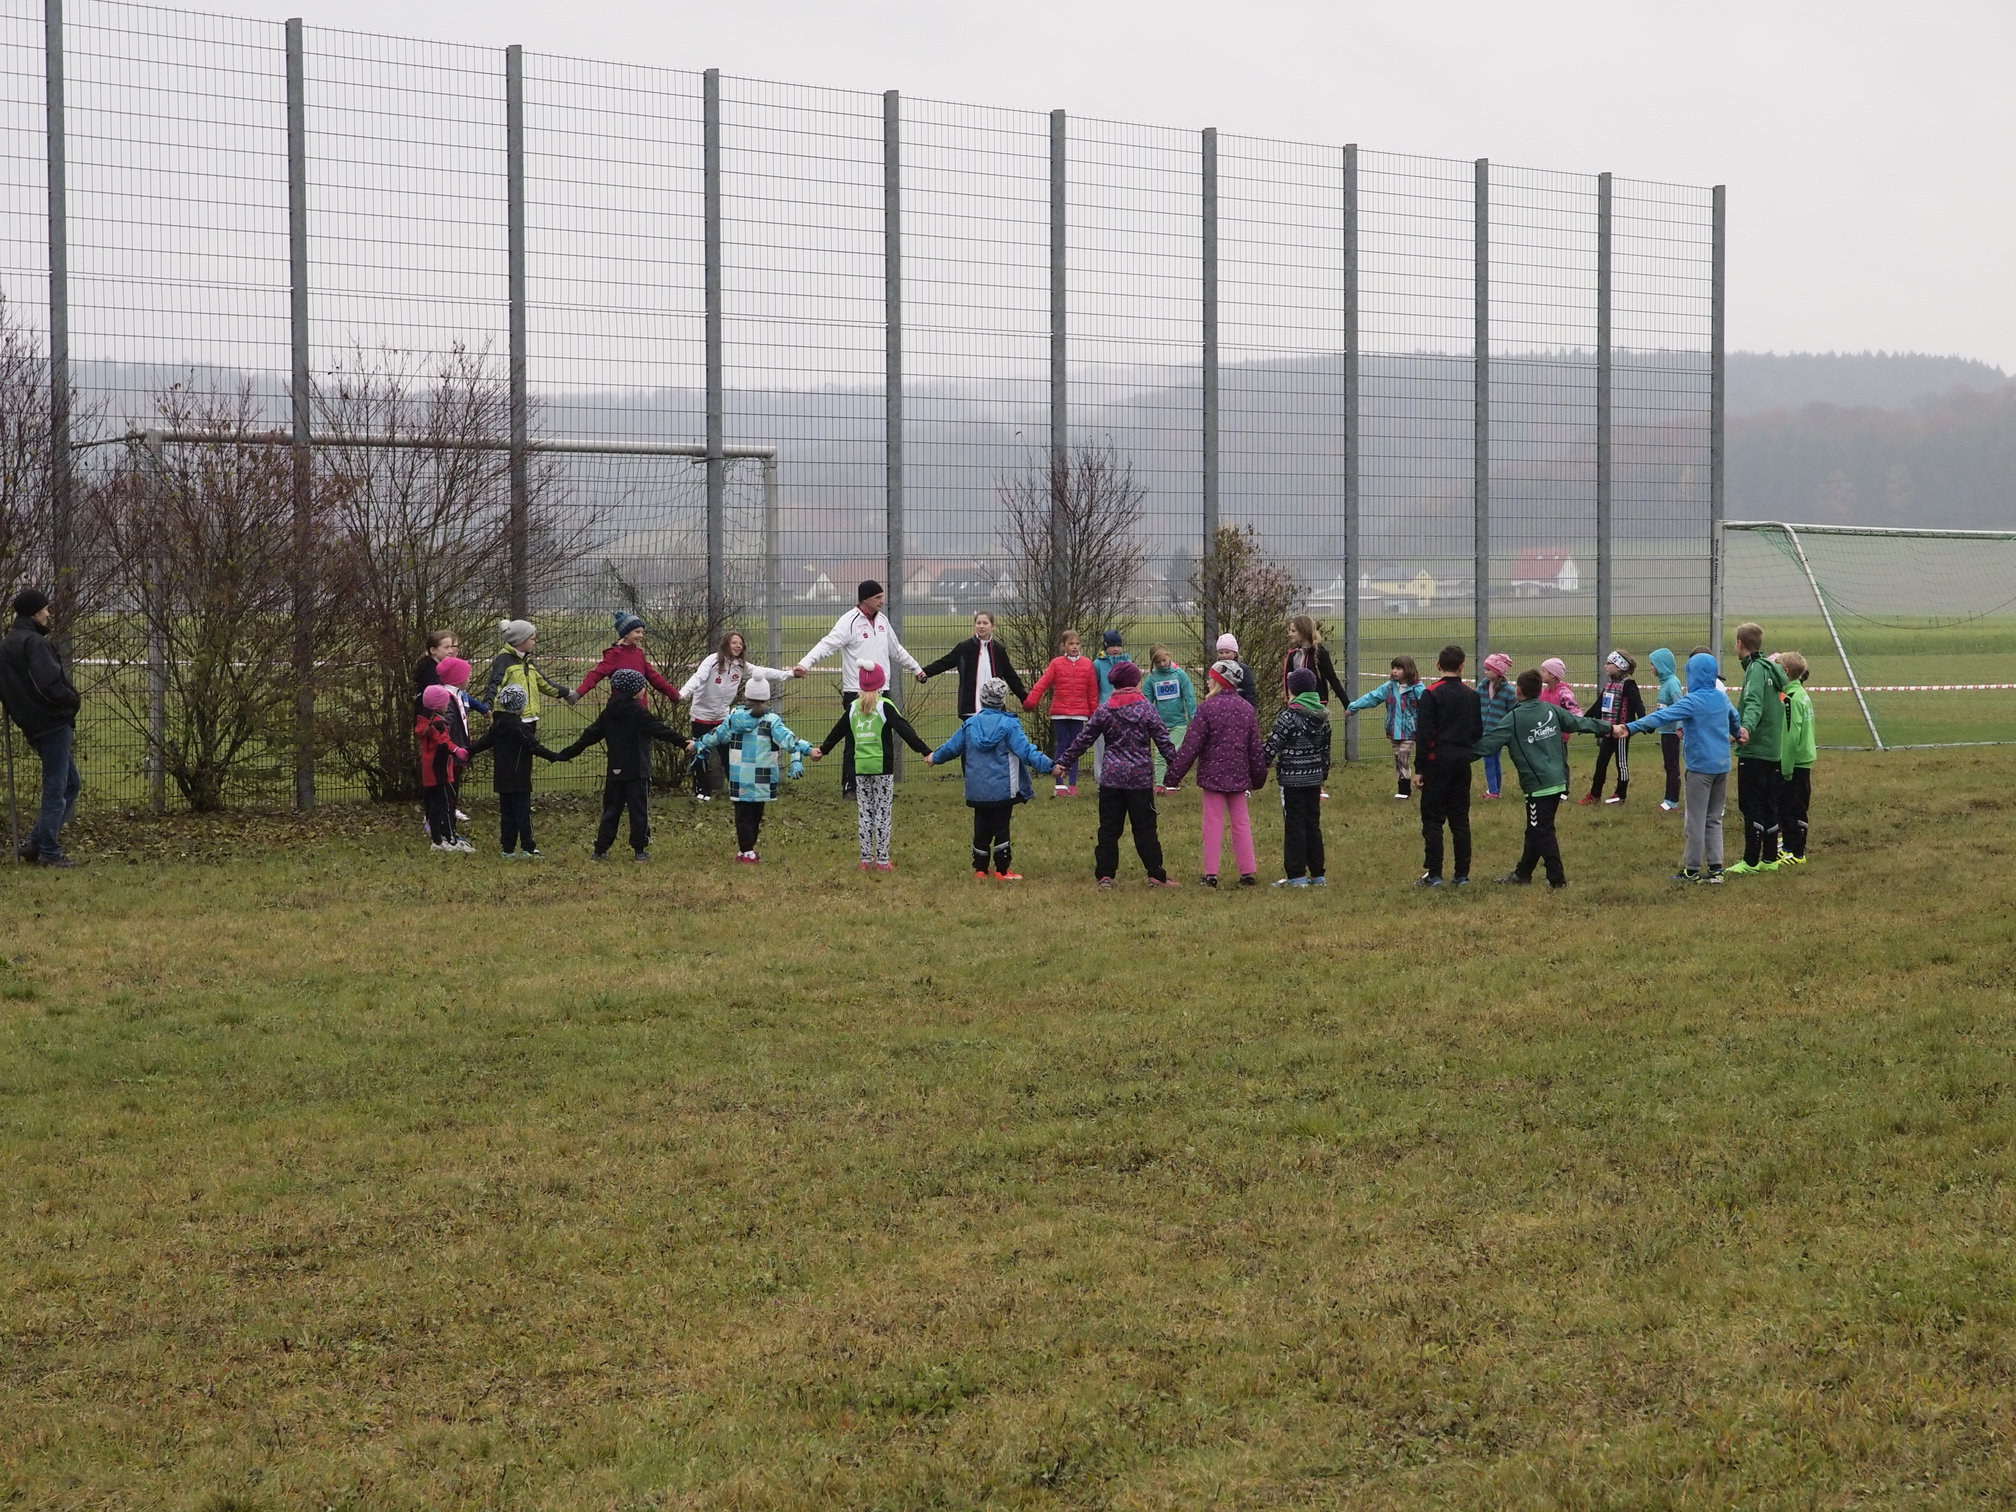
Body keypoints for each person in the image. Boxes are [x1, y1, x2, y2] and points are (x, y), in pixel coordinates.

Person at [1475, 668, 1611, 889]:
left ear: (1518, 690)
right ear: (1539, 690)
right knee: (1535, 829)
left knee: (1543, 832)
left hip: (1538, 787)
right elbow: (1581, 723)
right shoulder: (1551, 709)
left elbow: (1487, 744)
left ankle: (1557, 880)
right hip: (1557, 782)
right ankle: (1523, 874)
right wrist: (1610, 727)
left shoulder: (1514, 718)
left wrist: (1453, 757)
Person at [789, 579, 924, 797]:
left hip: (882, 691)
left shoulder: (883, 621)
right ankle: (851, 786)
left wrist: (917, 669)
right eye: (877, 597)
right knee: (855, 739)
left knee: (882, 739)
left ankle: (881, 787)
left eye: (882, 596)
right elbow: (827, 644)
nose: (882, 601)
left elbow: (896, 649)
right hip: (856, 691)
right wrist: (805, 664)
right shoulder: (849, 622)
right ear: (864, 599)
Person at [1620, 650, 1741, 884]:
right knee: (1714, 818)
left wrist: (1630, 727)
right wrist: (1737, 733)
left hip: (1700, 769)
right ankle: (1717, 869)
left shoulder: (1692, 701)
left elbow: (1662, 716)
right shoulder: (1721, 697)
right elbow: (1734, 718)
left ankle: (1692, 870)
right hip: (1722, 766)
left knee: (1695, 819)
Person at [1056, 661, 1179, 888]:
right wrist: (1177, 768)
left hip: (1111, 779)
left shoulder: (1105, 710)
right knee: (1145, 829)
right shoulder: (1146, 709)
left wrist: (1065, 761)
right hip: (1140, 780)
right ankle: (1156, 874)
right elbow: (1163, 740)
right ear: (1135, 682)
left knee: (1109, 829)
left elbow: (1084, 738)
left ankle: (1105, 875)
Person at [553, 668, 688, 861]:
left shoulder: (609, 712)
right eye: (642, 687)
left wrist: (567, 753)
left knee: (611, 810)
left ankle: (600, 849)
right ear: (634, 690)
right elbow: (661, 730)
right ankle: (639, 849)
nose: (644, 690)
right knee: (639, 811)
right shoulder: (639, 712)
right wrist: (684, 743)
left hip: (615, 770)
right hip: (638, 771)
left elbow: (589, 736)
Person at [927, 676, 1054, 879]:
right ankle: (1002, 870)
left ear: (981, 699)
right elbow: (1026, 752)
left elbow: (952, 747)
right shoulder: (1010, 725)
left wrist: (934, 757)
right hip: (1003, 789)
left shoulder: (970, 724)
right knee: (1001, 827)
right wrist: (1050, 766)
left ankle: (980, 869)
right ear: (1002, 700)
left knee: (981, 827)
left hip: (977, 789)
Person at [812, 663, 932, 871]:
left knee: (865, 813)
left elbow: (838, 731)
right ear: (881, 683)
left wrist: (823, 750)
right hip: (882, 768)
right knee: (882, 813)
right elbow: (905, 730)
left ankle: (866, 860)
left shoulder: (853, 707)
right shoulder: (885, 706)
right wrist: (925, 751)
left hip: (861, 767)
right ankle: (883, 861)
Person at [1164, 660, 1269, 887]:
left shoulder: (1207, 709)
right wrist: (1258, 777)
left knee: (1212, 824)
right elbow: (1255, 748)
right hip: (1239, 775)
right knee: (1241, 823)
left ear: (1219, 681)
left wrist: (1173, 776)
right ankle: (1248, 871)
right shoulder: (1247, 709)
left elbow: (1191, 746)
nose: (1208, 681)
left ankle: (1211, 873)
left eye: (1211, 678)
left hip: (1213, 775)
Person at [0, 588, 82, 867]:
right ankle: (49, 851)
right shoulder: (35, 643)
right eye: (46, 609)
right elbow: (49, 684)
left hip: (32, 725)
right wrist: (72, 701)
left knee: (71, 783)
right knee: (56, 788)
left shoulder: (7, 644)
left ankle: (36, 843)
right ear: (35, 612)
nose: (49, 614)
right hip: (52, 723)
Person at [692, 676, 813, 864]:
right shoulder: (771, 720)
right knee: (756, 814)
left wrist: (699, 744)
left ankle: (746, 849)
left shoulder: (734, 718)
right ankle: (747, 850)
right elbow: (788, 739)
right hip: (762, 776)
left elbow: (718, 736)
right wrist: (807, 749)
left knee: (743, 814)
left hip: (739, 776)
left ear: (747, 695)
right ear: (766, 697)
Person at [682, 629, 792, 801]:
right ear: (726, 644)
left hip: (723, 717)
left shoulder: (741, 665)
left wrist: (789, 674)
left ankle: (735, 789)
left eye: (740, 643)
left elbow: (763, 672)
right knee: (700, 753)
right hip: (701, 715)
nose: (738, 646)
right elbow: (697, 678)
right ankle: (702, 792)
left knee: (729, 756)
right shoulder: (712, 661)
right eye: (734, 642)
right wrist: (682, 694)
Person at [465, 683, 566, 858]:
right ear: (521, 706)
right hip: (520, 779)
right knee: (523, 814)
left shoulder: (496, 726)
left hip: (502, 779)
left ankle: (508, 849)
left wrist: (468, 751)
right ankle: (528, 847)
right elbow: (534, 746)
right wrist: (554, 756)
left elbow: (482, 743)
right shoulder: (521, 728)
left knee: (507, 815)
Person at [1412, 644, 1483, 887]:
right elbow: (1477, 731)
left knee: (1433, 819)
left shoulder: (1431, 694)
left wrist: (1419, 768)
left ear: (1438, 665)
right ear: (1462, 666)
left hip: (1436, 762)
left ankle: (1434, 873)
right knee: (1460, 819)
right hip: (1462, 762)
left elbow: (1423, 734)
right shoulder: (1472, 695)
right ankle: (1462, 874)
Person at [1730, 621, 1789, 875]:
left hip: (1755, 750)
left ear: (1740, 644)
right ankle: (1770, 858)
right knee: (1769, 804)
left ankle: (1751, 861)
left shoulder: (1755, 669)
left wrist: (1745, 728)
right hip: (1773, 750)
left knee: (1751, 805)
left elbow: (1753, 702)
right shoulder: (1770, 669)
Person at [1265, 666, 1332, 886]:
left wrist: (1258, 767)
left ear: (1293, 690)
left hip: (1292, 780)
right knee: (1312, 823)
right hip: (1314, 778)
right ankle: (1318, 873)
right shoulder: (1323, 717)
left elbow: (1273, 745)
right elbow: (1325, 751)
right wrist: (1322, 775)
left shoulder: (1288, 717)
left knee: (1294, 824)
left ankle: (1296, 875)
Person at [1026, 629, 1099, 796]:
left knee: (1076, 747)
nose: (1074, 647)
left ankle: (1073, 784)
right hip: (1060, 712)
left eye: (1077, 644)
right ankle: (1059, 784)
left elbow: (1092, 691)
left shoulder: (1087, 664)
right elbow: (1043, 683)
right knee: (1062, 744)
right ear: (1063, 646)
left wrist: (1094, 714)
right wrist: (1031, 701)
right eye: (1071, 644)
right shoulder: (1056, 663)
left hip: (1079, 713)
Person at [920, 610, 1026, 720]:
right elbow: (945, 662)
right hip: (970, 710)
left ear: (993, 626)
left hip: (995, 710)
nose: (981, 626)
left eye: (985, 623)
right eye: (978, 623)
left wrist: (1024, 697)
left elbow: (1010, 675)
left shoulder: (998, 649)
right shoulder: (964, 647)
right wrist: (924, 672)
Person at [1344, 654, 1423, 799]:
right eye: (1394, 668)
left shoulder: (1417, 689)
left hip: (1409, 731)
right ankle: (1403, 789)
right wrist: (1354, 706)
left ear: (1408, 669)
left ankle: (1405, 791)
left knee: (1403, 757)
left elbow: (1428, 705)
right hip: (1393, 730)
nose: (1395, 671)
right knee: (1398, 759)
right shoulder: (1389, 687)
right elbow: (1372, 697)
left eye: (1399, 668)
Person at [575, 611, 684, 707]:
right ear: (626, 634)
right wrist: (578, 693)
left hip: (640, 709)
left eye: (642, 632)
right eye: (637, 632)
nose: (641, 635)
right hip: (621, 709)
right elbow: (596, 674)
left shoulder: (640, 654)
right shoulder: (615, 654)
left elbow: (655, 678)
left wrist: (674, 694)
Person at [482, 619, 577, 728]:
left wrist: (566, 693)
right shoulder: (504, 660)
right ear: (520, 640)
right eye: (532, 639)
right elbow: (495, 685)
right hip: (510, 720)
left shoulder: (527, 661)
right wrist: (488, 705)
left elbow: (544, 683)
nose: (535, 642)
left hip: (530, 718)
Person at [1582, 651, 1645, 805]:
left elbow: (1638, 704)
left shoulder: (1629, 685)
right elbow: (1598, 706)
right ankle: (1595, 794)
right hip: (1608, 731)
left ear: (1620, 666)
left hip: (1622, 732)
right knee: (1601, 763)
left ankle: (1620, 794)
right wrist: (1582, 722)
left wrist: (1645, 723)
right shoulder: (1609, 685)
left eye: (1609, 663)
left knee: (1621, 764)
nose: (1605, 666)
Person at [416, 684, 471, 853]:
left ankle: (437, 840)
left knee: (433, 807)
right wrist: (457, 750)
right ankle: (450, 839)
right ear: (439, 705)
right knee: (446, 805)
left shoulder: (426, 722)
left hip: (429, 772)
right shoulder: (439, 724)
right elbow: (444, 741)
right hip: (440, 771)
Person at [1776, 650, 1816, 865]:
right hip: (1802, 758)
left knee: (1795, 807)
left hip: (1795, 762)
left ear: (1785, 671)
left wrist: (1786, 767)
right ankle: (1788, 847)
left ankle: (1797, 852)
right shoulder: (1800, 693)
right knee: (1788, 806)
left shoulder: (1791, 699)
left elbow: (1791, 736)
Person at [1144, 644, 1197, 793]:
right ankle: (1160, 784)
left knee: (1173, 752)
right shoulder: (1152, 679)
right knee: (1160, 754)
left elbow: (1189, 697)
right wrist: (1147, 721)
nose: (1162, 664)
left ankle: (1172, 783)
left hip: (1179, 723)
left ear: (1169, 657)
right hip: (1160, 724)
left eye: (1164, 660)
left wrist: (1194, 718)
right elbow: (1146, 703)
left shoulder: (1180, 675)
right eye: (1158, 662)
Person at [1090, 629, 1136, 785]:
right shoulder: (1097, 664)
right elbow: (1094, 688)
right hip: (1104, 710)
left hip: (1125, 710)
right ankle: (1101, 780)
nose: (1116, 649)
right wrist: (1094, 710)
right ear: (1105, 646)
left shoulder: (1128, 663)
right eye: (1112, 646)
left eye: (1118, 645)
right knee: (1102, 747)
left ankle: (1123, 778)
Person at [1282, 615, 1349, 705]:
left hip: (1316, 703)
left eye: (1293, 631)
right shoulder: (1292, 654)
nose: (1290, 634)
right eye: (1290, 630)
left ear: (1303, 631)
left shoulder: (1320, 653)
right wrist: (1289, 700)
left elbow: (1332, 679)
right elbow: (1287, 679)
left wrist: (1347, 704)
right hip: (1297, 703)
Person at [1539, 657, 1583, 795]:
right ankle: (1549, 787)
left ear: (1553, 675)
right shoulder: (1544, 692)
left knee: (1561, 763)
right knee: (1546, 762)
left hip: (1560, 736)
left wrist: (1579, 724)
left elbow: (1574, 710)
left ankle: (1564, 790)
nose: (1541, 673)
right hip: (1544, 734)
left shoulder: (1564, 692)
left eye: (1543, 671)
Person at [1476, 652, 1516, 800]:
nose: (1485, 672)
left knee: (1490, 761)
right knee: (1492, 760)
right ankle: (1495, 790)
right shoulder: (1482, 687)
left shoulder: (1509, 692)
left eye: (1489, 669)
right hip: (1484, 732)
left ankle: (1494, 791)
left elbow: (1514, 711)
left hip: (1498, 733)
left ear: (1499, 671)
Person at [1649, 647, 1685, 812]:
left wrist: (1680, 727)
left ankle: (1672, 801)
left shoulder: (1672, 683)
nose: (1651, 668)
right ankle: (1668, 799)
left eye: (1653, 664)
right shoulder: (1665, 683)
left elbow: (1680, 705)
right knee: (1668, 765)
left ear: (1661, 665)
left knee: (1672, 767)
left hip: (1672, 733)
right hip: (1665, 731)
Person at [1215, 633, 1258, 710]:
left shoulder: (1243, 669)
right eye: (1221, 653)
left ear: (1235, 653)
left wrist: (1251, 709)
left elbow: (1250, 691)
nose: (1224, 655)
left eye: (1227, 652)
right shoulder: (1216, 669)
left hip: (1240, 708)